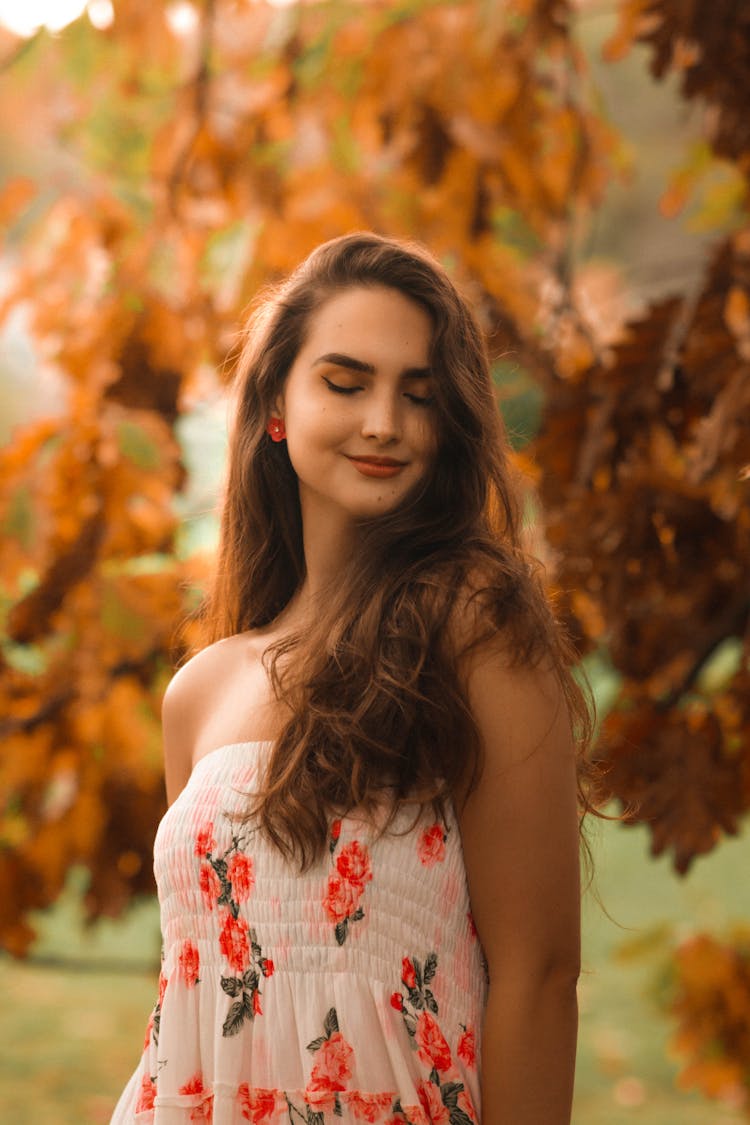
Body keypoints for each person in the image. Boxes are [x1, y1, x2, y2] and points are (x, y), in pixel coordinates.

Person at [110, 232, 597, 1125]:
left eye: (420, 395)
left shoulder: (472, 620)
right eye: (346, 382)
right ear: (276, 408)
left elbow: (539, 975)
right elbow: (194, 999)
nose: (385, 422)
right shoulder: (202, 689)